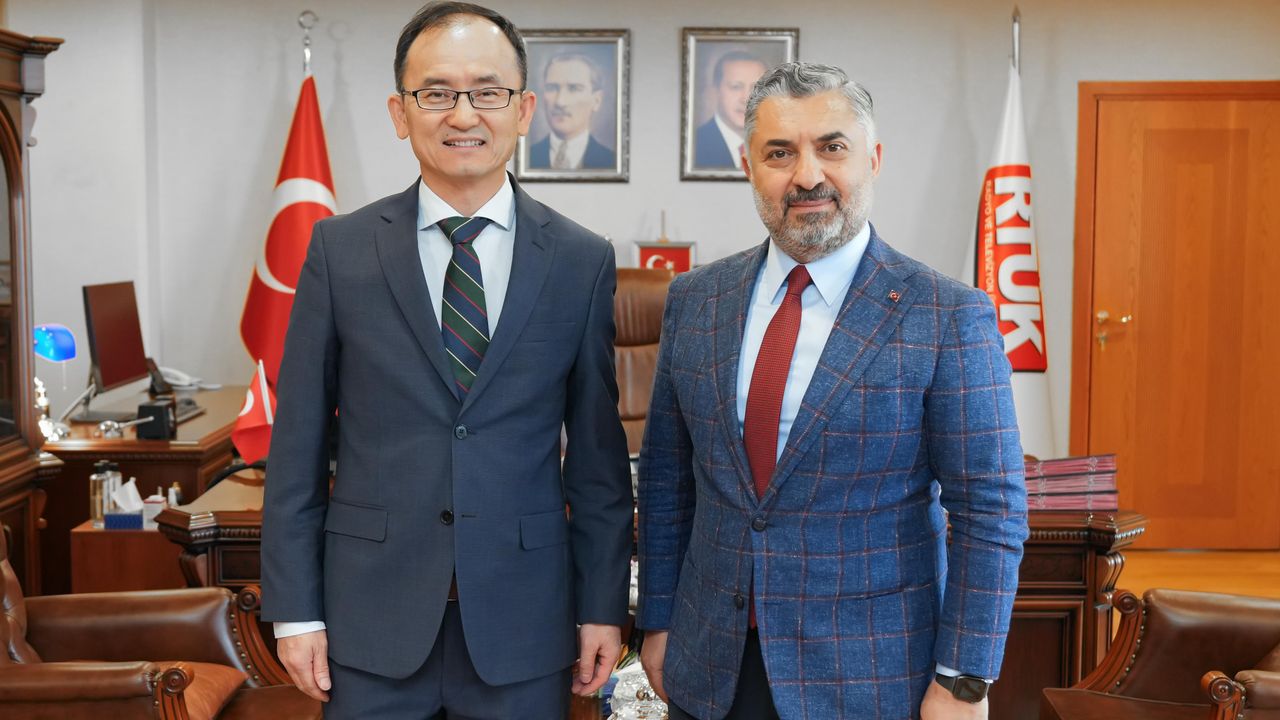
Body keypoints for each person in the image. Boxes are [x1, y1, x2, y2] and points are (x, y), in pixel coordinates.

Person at [260, 3, 633, 717]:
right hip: (370, 617)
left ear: (523, 110)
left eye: (487, 92)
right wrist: (296, 610)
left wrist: (601, 606)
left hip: (525, 620)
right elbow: (297, 444)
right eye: (436, 93)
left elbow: (597, 461)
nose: (463, 114)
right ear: (400, 113)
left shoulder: (580, 260)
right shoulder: (340, 250)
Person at [637, 62, 1029, 720]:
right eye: (780, 153)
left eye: (832, 147)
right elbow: (666, 479)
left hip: (871, 677)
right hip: (710, 666)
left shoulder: (946, 314)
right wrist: (658, 620)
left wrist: (964, 680)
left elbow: (990, 511)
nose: (807, 175)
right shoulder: (696, 299)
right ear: (748, 167)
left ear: (873, 159)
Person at [528, 52, 616, 170]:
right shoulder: (528, 157)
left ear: (596, 100)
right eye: (552, 88)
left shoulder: (610, 161)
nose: (560, 102)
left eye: (574, 88)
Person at [693, 50, 768, 170]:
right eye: (736, 87)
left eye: (755, 88)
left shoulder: (777, 145)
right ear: (716, 91)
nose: (746, 99)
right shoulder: (695, 145)